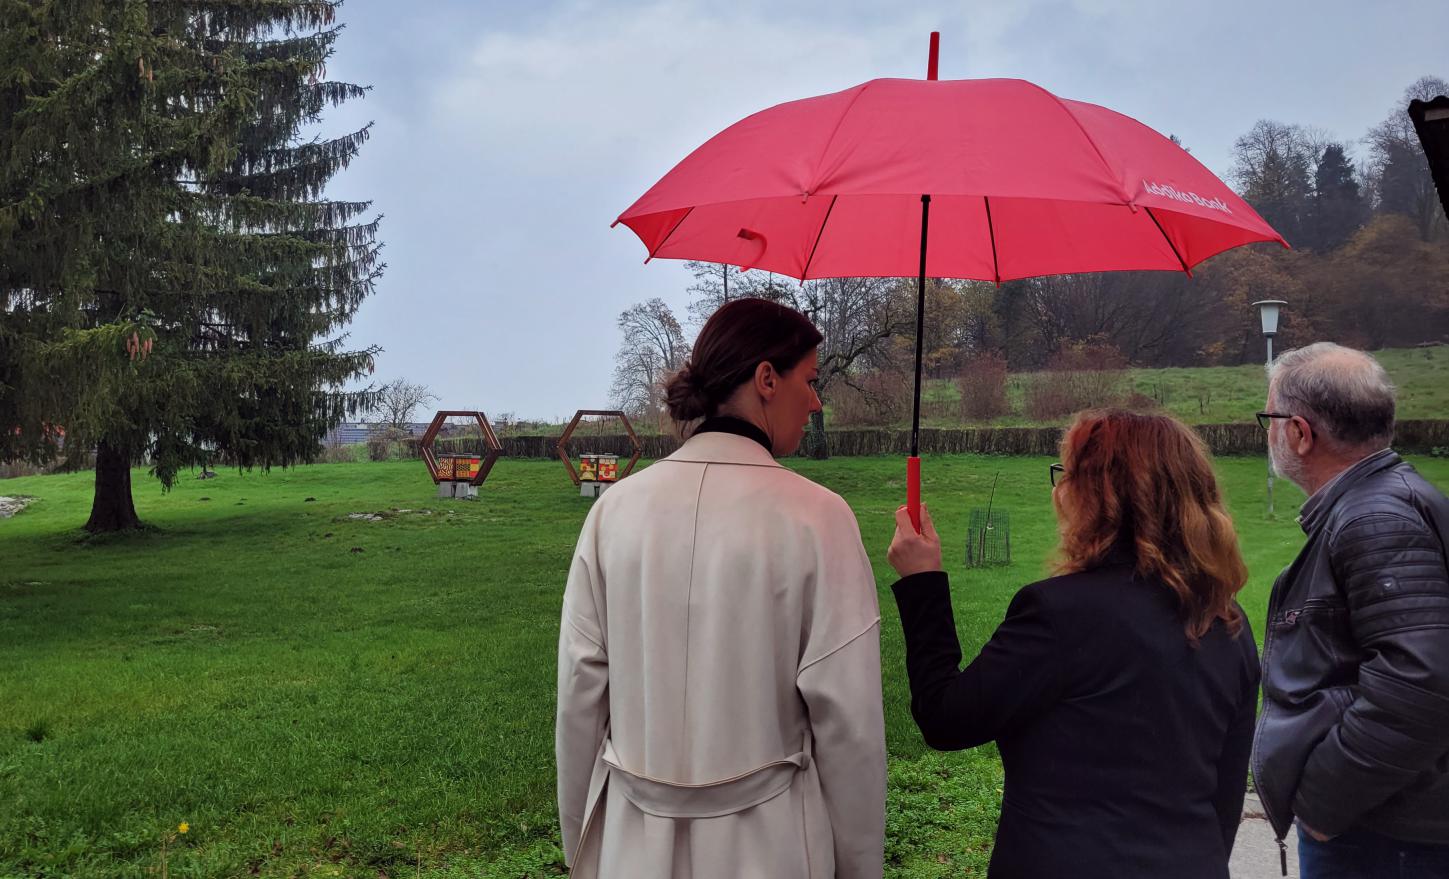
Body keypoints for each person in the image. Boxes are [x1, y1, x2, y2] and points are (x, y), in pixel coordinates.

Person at [555, 297, 886, 879]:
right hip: (776, 850)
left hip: (631, 849)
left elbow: (580, 697)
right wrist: (860, 868)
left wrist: (579, 843)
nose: (816, 402)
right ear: (766, 379)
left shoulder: (614, 513)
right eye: (809, 381)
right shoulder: (819, 519)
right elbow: (850, 726)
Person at [887, 409, 1261, 879]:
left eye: (1067, 475)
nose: (1058, 491)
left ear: (1097, 496)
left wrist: (922, 581)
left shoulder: (1059, 613)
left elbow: (946, 718)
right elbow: (1226, 797)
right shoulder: (1229, 621)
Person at [1251, 342, 1449, 876]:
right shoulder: (1384, 501)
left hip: (1386, 837)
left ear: (1299, 433)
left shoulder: (1375, 519)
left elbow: (1423, 680)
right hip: (1391, 826)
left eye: (1269, 420)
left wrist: (1322, 802)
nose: (1268, 434)